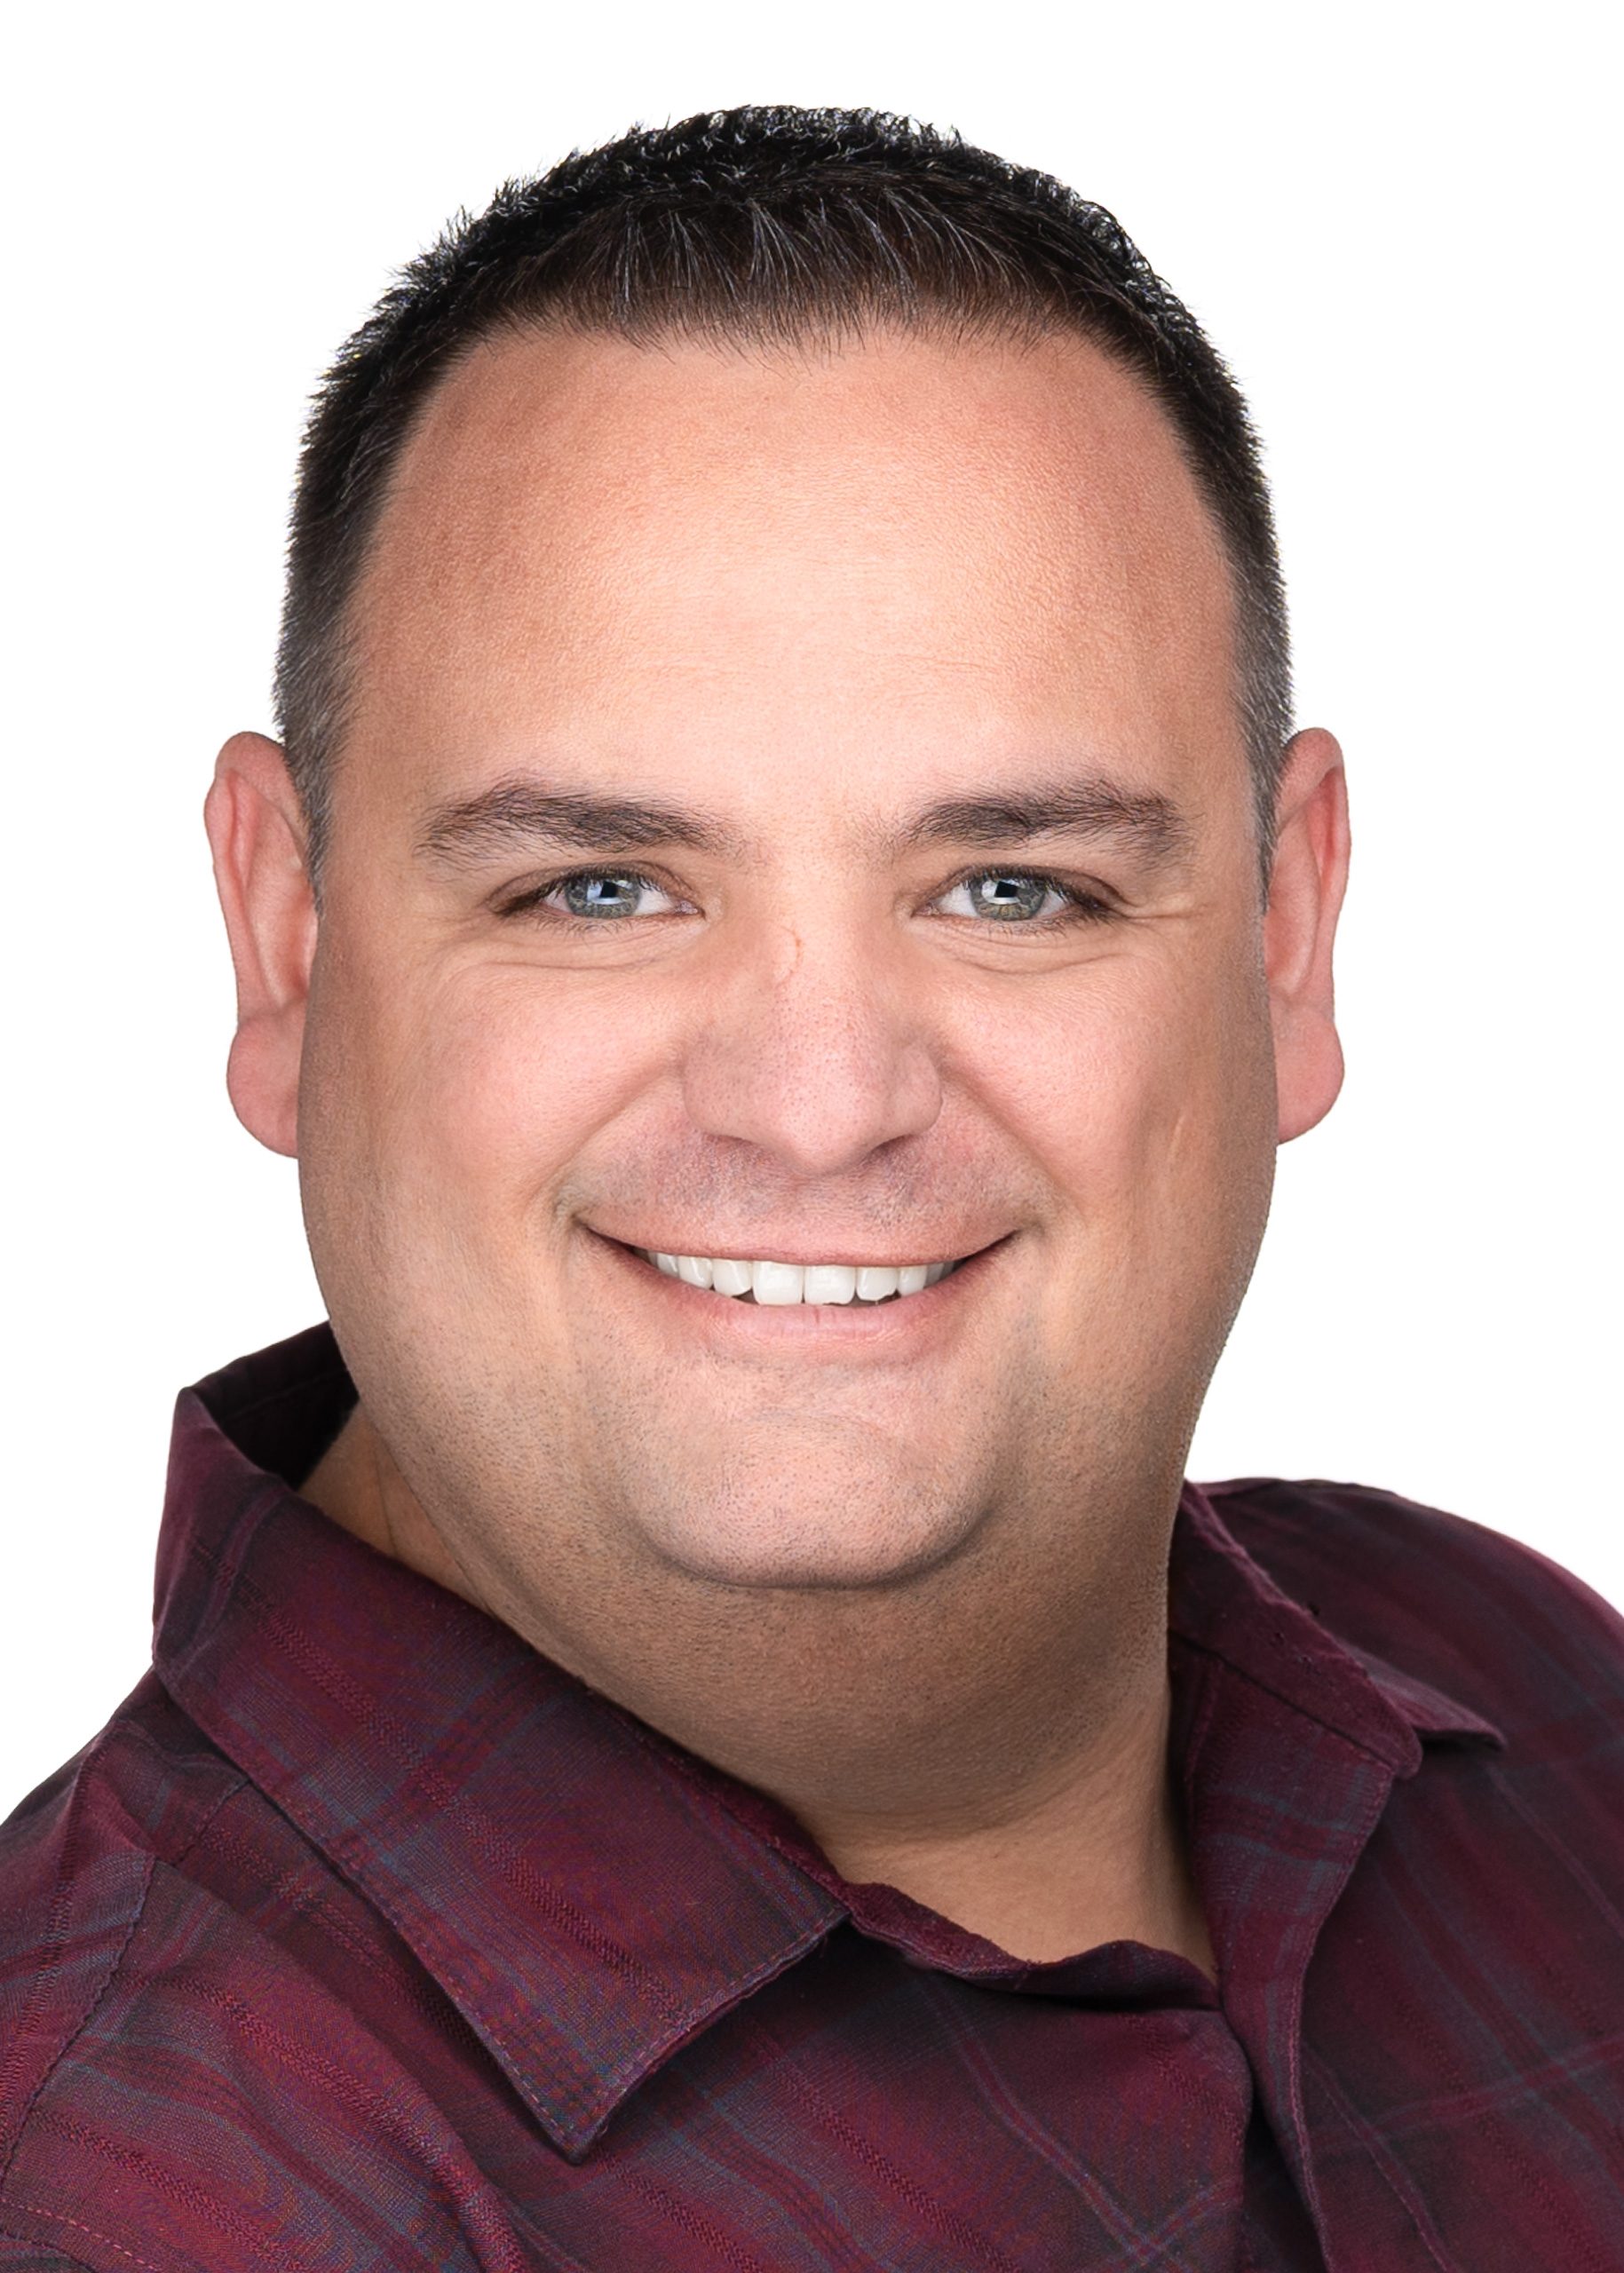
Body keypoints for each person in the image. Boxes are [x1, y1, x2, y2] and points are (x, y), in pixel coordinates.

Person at [1, 103, 1619, 2273]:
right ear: (288, 942)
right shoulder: (125, 2194)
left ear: (1285, 932)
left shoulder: (1542, 1708)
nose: (822, 1098)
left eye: (1013, 886)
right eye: (600, 885)